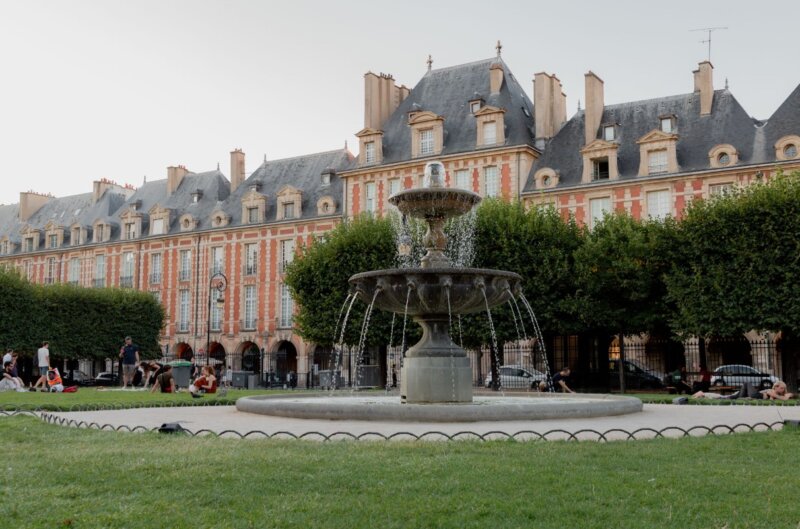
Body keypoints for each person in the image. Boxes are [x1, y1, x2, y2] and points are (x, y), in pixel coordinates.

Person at [693, 381, 794, 401]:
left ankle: (703, 394)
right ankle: (742, 398)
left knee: (725, 397)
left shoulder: (775, 393)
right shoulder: (772, 391)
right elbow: (779, 398)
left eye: (784, 388)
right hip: (753, 394)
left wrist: (788, 395)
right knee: (747, 384)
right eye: (781, 388)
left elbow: (773, 399)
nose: (783, 390)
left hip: (745, 393)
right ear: (776, 387)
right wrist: (785, 397)